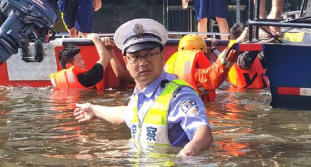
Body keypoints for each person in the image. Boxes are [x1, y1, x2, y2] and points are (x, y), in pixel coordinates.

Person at [73, 19, 213, 157]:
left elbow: (203, 131)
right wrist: (94, 110)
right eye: (135, 57)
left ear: (162, 55)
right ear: (126, 61)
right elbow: (125, 115)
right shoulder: (140, 93)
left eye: (151, 55)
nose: (143, 63)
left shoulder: (179, 94)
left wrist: (191, 149)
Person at [164, 33, 239, 102]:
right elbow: (213, 77)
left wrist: (212, 48)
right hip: (194, 108)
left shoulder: (169, 67)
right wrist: (232, 48)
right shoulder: (196, 73)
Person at [51, 33, 119, 90]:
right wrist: (95, 39)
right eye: (79, 60)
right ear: (69, 66)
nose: (83, 62)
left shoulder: (58, 82)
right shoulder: (86, 79)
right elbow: (105, 58)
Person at [226, 23, 268, 90]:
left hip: (252, 93)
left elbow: (260, 62)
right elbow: (246, 62)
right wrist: (257, 42)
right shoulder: (235, 53)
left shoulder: (233, 50)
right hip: (243, 96)